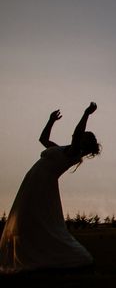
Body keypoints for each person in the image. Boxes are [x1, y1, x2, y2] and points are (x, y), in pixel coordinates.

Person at [0, 103, 101, 274]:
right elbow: (43, 139)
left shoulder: (74, 153)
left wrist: (86, 114)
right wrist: (51, 120)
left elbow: (76, 135)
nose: (79, 136)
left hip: (42, 186)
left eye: (83, 136)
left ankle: (47, 257)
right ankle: (32, 254)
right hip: (33, 182)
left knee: (35, 219)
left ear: (84, 143)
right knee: (27, 220)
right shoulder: (63, 149)